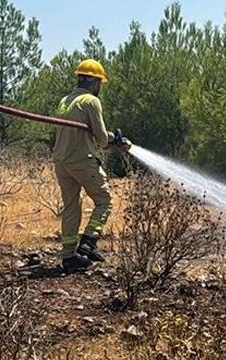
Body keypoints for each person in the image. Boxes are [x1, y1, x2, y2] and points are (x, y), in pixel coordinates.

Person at [53, 59, 131, 272]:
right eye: (100, 83)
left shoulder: (65, 100)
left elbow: (84, 134)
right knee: (104, 200)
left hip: (61, 161)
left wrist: (107, 140)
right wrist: (114, 140)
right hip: (82, 160)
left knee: (71, 206)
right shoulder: (91, 101)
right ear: (96, 82)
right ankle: (89, 242)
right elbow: (101, 139)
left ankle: (69, 257)